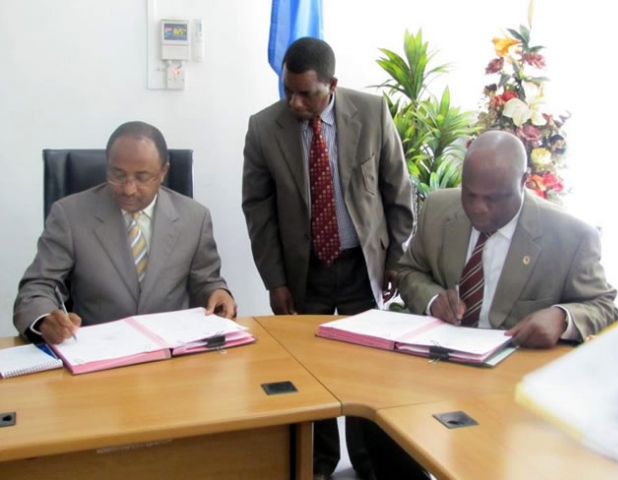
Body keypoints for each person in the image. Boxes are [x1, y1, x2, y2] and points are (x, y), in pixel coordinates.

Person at [242, 37, 414, 480]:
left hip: (361, 266)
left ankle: (369, 464)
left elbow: (398, 188)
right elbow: (258, 211)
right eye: (288, 91)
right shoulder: (264, 128)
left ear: (332, 84)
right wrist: (274, 280)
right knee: (309, 371)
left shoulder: (372, 113)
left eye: (307, 93)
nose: (295, 102)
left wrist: (397, 257)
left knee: (366, 369)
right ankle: (316, 466)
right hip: (305, 272)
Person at [14, 121, 236, 345]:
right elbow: (37, 288)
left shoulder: (194, 218)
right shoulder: (70, 215)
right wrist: (44, 321)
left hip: (172, 354)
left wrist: (217, 293)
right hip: (98, 353)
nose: (129, 189)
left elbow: (206, 282)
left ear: (163, 172)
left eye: (142, 177)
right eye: (118, 175)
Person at [397, 130, 618, 346]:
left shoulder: (572, 237)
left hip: (517, 367)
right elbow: (409, 272)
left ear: (523, 181)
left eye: (494, 198)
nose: (478, 208)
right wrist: (433, 300)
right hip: (438, 356)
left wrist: (562, 318)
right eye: (470, 193)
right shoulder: (438, 209)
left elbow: (603, 305)